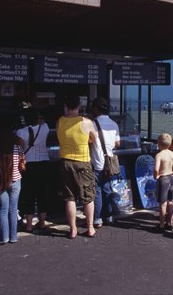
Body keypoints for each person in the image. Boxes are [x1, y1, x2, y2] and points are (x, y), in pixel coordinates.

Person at [56, 94, 98, 239]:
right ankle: (90, 228)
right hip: (82, 162)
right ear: (80, 106)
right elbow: (94, 138)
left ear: (66, 106)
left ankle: (73, 229)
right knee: (88, 197)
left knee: (70, 197)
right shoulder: (86, 122)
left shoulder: (60, 121)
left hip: (65, 162)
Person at [0, 126, 24, 245]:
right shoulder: (17, 147)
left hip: (0, 182)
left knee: (3, 210)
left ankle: (4, 238)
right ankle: (13, 237)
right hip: (15, 181)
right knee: (13, 209)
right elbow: (22, 162)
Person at [17, 107, 51, 232]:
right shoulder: (45, 128)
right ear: (38, 118)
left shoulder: (21, 132)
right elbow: (43, 123)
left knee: (29, 194)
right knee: (42, 194)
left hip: (29, 165)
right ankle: (42, 222)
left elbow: (20, 150)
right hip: (43, 164)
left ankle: (29, 225)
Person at [89, 97, 121, 228]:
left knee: (96, 191)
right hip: (109, 163)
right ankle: (108, 216)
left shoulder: (92, 124)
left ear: (96, 108)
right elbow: (118, 143)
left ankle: (97, 219)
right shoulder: (114, 124)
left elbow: (87, 142)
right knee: (107, 189)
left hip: (96, 162)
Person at [153, 133, 173, 231]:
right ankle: (170, 223)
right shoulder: (172, 154)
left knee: (163, 203)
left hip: (163, 179)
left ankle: (162, 224)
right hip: (171, 177)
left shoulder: (159, 155)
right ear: (170, 143)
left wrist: (156, 176)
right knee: (170, 202)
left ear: (158, 143)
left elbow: (156, 169)